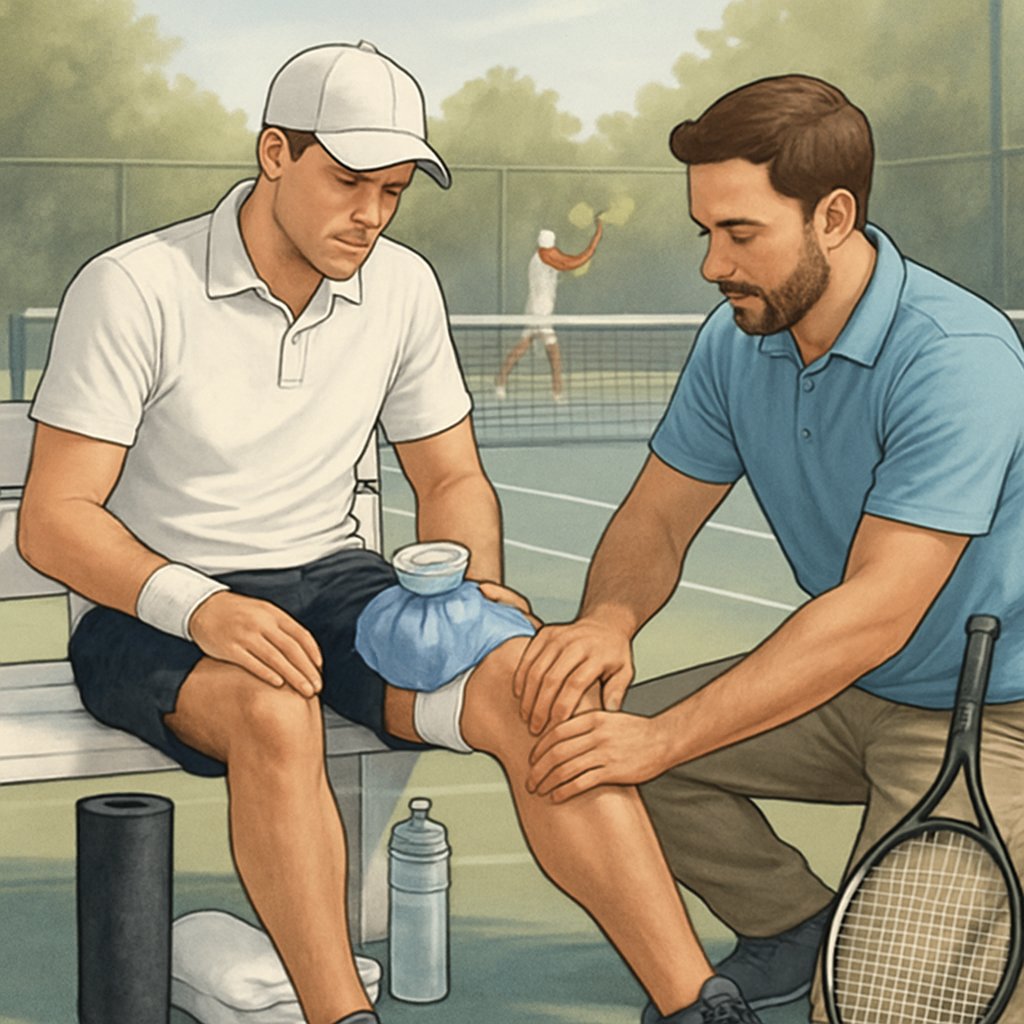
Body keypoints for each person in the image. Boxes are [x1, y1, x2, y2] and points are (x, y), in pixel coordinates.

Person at [17, 41, 765, 1024]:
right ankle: (341, 1015)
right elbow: (55, 518)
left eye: (394, 189)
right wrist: (203, 609)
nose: (370, 212)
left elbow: (448, 473)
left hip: (339, 586)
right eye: (349, 180)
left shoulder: (401, 286)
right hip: (156, 609)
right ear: (274, 152)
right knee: (276, 706)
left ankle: (695, 1004)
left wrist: (474, 585)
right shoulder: (133, 286)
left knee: (538, 688)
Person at [513, 73, 1024, 1024]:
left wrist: (664, 734)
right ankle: (791, 924)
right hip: (853, 693)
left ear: (834, 216)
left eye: (740, 234)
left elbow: (875, 611)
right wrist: (610, 620)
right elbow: (657, 518)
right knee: (578, 746)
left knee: (870, 1010)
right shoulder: (736, 340)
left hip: (990, 718)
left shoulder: (959, 354)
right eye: (705, 232)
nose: (713, 264)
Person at [494, 221, 603, 402]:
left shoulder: (544, 255)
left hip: (537, 308)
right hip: (539, 311)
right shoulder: (545, 257)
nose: (552, 252)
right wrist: (596, 238)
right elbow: (574, 262)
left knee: (524, 346)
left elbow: (565, 262)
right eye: (550, 249)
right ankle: (557, 391)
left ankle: (501, 380)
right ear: (544, 248)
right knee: (553, 351)